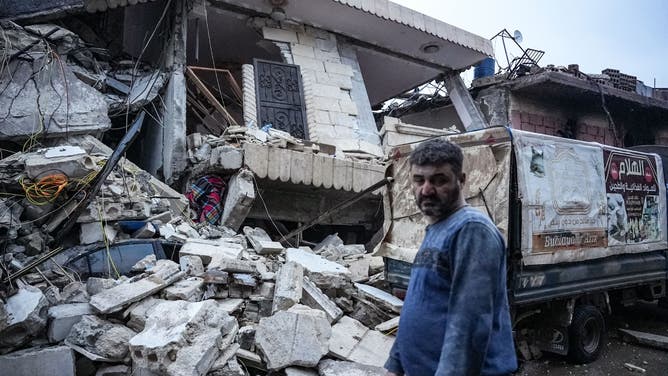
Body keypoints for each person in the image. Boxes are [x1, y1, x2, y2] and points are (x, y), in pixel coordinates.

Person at [385, 138, 517, 376]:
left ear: (462, 180)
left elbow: (469, 324)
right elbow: (419, 303)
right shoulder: (437, 228)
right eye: (419, 180)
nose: (426, 189)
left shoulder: (472, 230)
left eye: (439, 180)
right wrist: (395, 364)